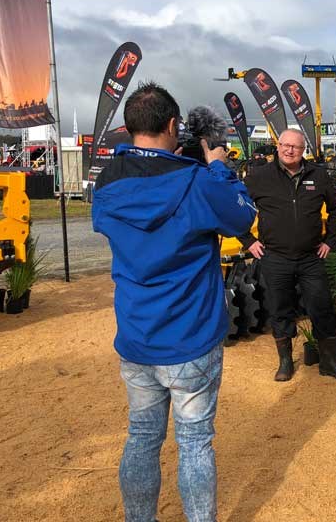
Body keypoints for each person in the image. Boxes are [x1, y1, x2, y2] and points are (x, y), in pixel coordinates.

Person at [92, 82, 255, 522]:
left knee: (142, 437)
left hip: (138, 335)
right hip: (191, 338)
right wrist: (217, 164)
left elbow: (111, 219)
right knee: (195, 441)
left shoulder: (107, 183)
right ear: (172, 125)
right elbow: (242, 215)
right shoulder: (196, 181)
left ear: (128, 128)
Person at [243, 128, 336, 382]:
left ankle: (328, 362)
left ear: (304, 150)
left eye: (296, 147)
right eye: (285, 145)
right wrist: (247, 240)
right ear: (277, 145)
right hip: (275, 257)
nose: (289, 150)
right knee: (280, 310)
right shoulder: (260, 176)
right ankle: (285, 363)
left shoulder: (318, 174)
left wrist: (330, 241)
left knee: (321, 307)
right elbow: (235, 207)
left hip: (310, 257)